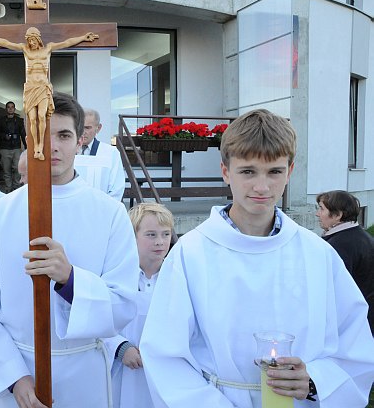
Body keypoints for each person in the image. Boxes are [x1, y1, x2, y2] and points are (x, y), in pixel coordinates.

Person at [140, 109, 374, 407]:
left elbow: (355, 343)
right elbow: (165, 357)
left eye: (274, 172)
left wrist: (314, 380)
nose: (262, 187)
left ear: (289, 172)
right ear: (225, 171)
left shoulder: (317, 254)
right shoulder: (191, 255)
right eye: (248, 171)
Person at [0, 92, 138, 408]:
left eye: (64, 135)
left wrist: (70, 280)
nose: (53, 145)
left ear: (80, 141)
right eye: (43, 135)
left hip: (84, 373)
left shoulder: (110, 214)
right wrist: (12, 377)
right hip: (17, 373)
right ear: (30, 140)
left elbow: (123, 305)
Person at [0, 28, 98, 160]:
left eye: (33, 40)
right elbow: (6, 43)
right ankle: (36, 146)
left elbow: (67, 42)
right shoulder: (25, 49)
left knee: (42, 116)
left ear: (38, 39)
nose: (31, 43)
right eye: (29, 40)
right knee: (32, 119)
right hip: (31, 88)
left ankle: (40, 145)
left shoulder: (48, 48)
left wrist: (84, 37)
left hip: (43, 88)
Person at [105, 203, 174, 408]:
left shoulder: (178, 276)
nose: (160, 242)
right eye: (151, 235)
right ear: (132, 236)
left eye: (166, 234)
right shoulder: (116, 276)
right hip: (123, 369)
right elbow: (97, 319)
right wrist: (119, 346)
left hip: (164, 369)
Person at [316, 190, 374, 334]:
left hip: (351, 325)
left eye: (322, 209)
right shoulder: (362, 237)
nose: (317, 214)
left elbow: (333, 292)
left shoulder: (339, 245)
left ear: (337, 215)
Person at [74, 109, 126, 201]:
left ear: (98, 128)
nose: (82, 132)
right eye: (80, 127)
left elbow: (116, 188)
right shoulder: (67, 151)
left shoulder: (110, 153)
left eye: (87, 128)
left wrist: (103, 209)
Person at [0, 101, 27, 192]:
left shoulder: (19, 120)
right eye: (9, 107)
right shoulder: (0, 120)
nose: (10, 109)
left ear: (14, 109)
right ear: (6, 109)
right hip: (5, 148)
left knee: (17, 168)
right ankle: (8, 189)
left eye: (12, 107)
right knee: (6, 169)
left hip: (16, 147)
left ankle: (17, 187)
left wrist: (27, 147)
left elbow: (23, 134)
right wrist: (4, 136)